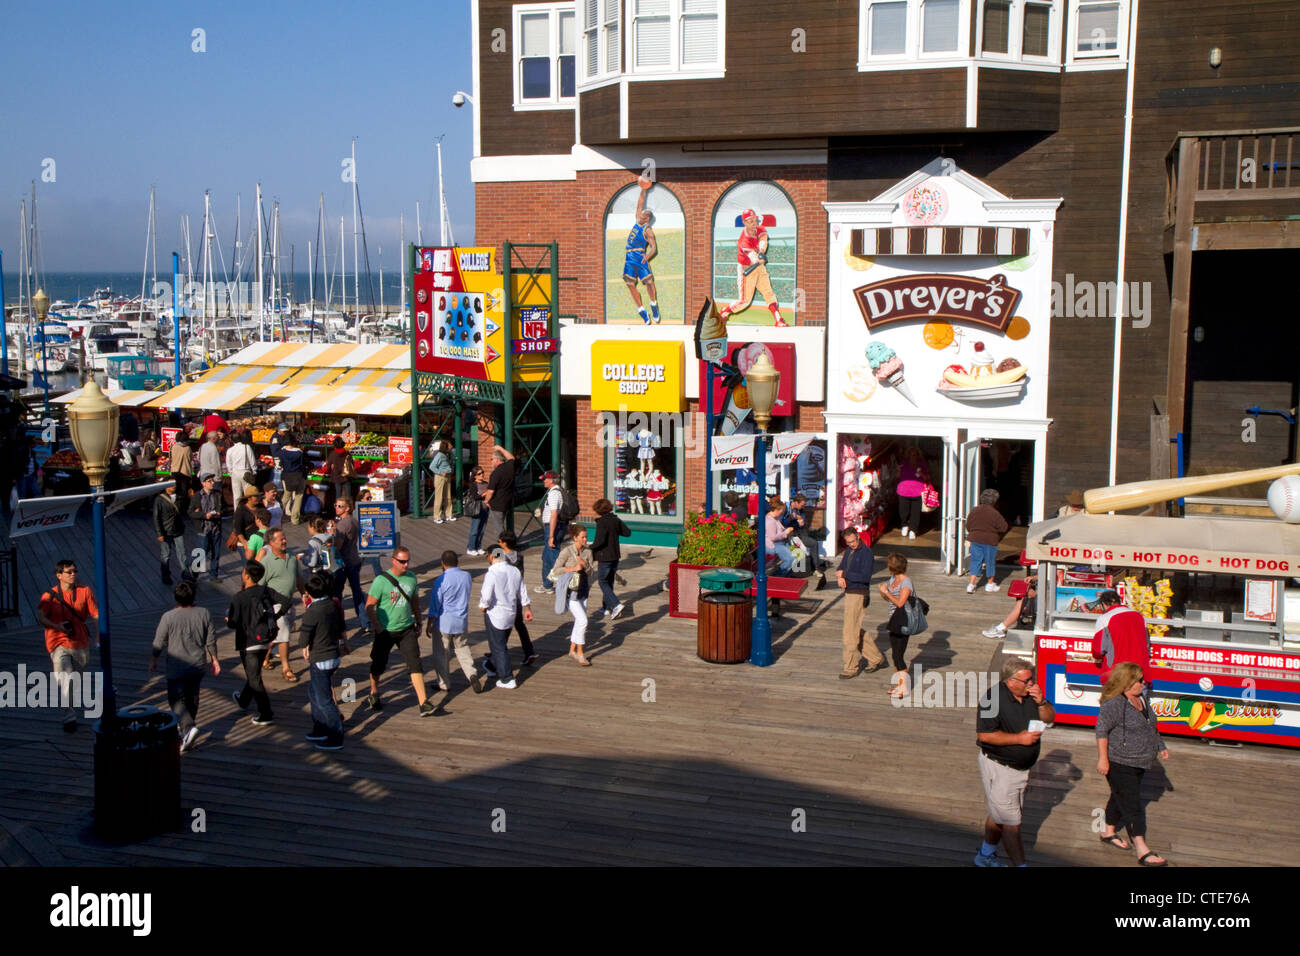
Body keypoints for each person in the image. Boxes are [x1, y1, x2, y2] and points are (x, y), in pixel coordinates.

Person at [974, 658, 1055, 867]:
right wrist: (1019, 739)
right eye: (1026, 680)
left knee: (999, 813)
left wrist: (1042, 702)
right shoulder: (992, 699)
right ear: (1010, 681)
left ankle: (985, 854)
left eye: (1032, 679)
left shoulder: (1031, 695)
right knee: (1012, 824)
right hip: (1001, 768)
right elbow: (985, 735)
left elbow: (1049, 718)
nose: (1031, 684)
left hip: (1021, 769)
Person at [1096, 661, 1170, 865]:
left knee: (1119, 796)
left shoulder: (1142, 699)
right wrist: (1103, 759)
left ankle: (1108, 831)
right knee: (1133, 805)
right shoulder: (1114, 704)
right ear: (1126, 683)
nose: (1143, 683)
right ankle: (1141, 848)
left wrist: (1160, 746)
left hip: (1141, 761)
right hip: (1120, 761)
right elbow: (1101, 731)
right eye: (1139, 680)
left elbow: (1151, 726)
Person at [365, 546, 437, 716]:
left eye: (407, 561)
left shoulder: (411, 578)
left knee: (415, 663)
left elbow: (415, 602)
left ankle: (423, 702)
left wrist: (419, 621)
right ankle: (374, 692)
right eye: (402, 562)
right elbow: (369, 606)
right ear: (394, 560)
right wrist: (378, 626)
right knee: (378, 664)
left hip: (406, 629)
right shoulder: (381, 581)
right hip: (386, 631)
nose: (406, 565)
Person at [149, 580, 219, 753]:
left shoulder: (168, 617)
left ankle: (188, 728)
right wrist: (215, 659)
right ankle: (188, 731)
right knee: (192, 697)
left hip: (176, 666)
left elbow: (159, 641)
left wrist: (154, 658)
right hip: (197, 664)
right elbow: (210, 639)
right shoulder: (204, 613)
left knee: (175, 699)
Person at [37, 559, 99, 732]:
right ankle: (69, 717)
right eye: (69, 572)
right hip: (58, 643)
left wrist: (98, 635)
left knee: (75, 680)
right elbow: (41, 617)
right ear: (59, 575)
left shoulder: (85, 591)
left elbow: (95, 614)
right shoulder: (49, 596)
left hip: (80, 643)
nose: (73, 574)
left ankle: (70, 706)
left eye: (75, 571)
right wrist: (57, 627)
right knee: (66, 678)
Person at [298, 571, 346, 751]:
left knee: (325, 700)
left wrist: (304, 646)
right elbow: (341, 626)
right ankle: (320, 728)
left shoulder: (313, 611)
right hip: (333, 655)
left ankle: (335, 735)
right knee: (314, 692)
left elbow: (303, 637)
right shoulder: (332, 604)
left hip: (320, 658)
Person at [226, 561, 277, 726]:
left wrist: (229, 621)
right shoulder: (265, 591)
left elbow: (233, 623)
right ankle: (243, 700)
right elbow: (285, 600)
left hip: (247, 642)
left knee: (254, 679)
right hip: (265, 638)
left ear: (246, 575)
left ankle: (266, 712)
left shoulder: (239, 597)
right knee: (253, 674)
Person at [719, 208, 787, 327]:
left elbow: (763, 240)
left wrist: (761, 251)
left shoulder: (760, 229)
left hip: (759, 268)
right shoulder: (744, 240)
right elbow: (752, 257)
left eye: (755, 219)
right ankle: (724, 312)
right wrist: (758, 258)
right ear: (744, 222)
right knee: (744, 302)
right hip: (746, 268)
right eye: (750, 221)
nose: (753, 223)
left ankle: (778, 319)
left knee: (769, 293)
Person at [427, 550, 482, 694]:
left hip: (444, 622)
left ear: (442, 563)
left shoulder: (441, 580)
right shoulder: (466, 576)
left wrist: (430, 621)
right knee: (462, 648)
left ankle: (444, 683)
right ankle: (471, 673)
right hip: (461, 620)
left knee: (442, 653)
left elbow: (435, 603)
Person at [479, 546, 533, 690]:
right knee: (501, 642)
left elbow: (486, 594)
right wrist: (527, 608)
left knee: (498, 646)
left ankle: (507, 678)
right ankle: (491, 665)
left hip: (496, 613)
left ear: (491, 557)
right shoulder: (514, 570)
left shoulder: (492, 573)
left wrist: (483, 605)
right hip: (511, 612)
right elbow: (523, 591)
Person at [256, 528, 303, 682]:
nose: (284, 541)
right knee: (284, 636)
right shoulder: (266, 563)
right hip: (274, 606)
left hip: (289, 604)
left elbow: (298, 579)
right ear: (271, 543)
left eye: (284, 538)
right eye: (280, 539)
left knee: (277, 635)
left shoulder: (292, 558)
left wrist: (305, 595)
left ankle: (264, 657)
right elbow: (259, 586)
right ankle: (286, 667)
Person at [837, 528, 884, 679]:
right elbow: (842, 567)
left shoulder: (867, 553)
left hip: (858, 594)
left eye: (853, 541)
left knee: (849, 632)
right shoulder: (848, 551)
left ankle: (850, 667)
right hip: (850, 592)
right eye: (849, 542)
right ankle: (876, 658)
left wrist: (844, 575)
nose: (852, 544)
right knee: (854, 628)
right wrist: (840, 574)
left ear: (858, 537)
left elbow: (865, 576)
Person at [552, 524, 597, 666]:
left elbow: (592, 572)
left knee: (579, 621)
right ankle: (580, 654)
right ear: (575, 537)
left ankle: (572, 650)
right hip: (570, 592)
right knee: (583, 621)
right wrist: (573, 568)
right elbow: (556, 570)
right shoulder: (566, 551)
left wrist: (585, 565)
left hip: (583, 590)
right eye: (582, 537)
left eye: (586, 537)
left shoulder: (588, 552)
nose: (585, 540)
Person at [1091, 590, 1154, 685]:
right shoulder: (1139, 616)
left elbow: (1098, 650)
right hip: (1139, 675)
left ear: (1103, 604)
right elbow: (1147, 645)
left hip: (1117, 675)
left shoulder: (1104, 619)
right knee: (1138, 700)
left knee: (1114, 700)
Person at [496, 531, 537, 664]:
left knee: (503, 627)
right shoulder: (519, 556)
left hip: (504, 597)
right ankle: (529, 651)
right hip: (518, 595)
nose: (498, 544)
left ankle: (495, 654)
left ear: (504, 543)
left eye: (499, 542)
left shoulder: (500, 557)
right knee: (519, 624)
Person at [623, 180, 660, 325]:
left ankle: (653, 304)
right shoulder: (637, 221)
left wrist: (648, 256)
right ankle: (642, 310)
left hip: (639, 256)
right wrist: (644, 189)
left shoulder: (647, 229)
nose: (640, 214)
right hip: (629, 256)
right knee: (630, 284)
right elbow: (639, 203)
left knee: (649, 283)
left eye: (643, 214)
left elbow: (654, 247)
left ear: (648, 218)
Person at [879, 553, 915, 698]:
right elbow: (888, 599)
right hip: (894, 621)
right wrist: (884, 592)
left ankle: (904, 688)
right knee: (895, 655)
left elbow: (900, 603)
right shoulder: (893, 578)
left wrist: (887, 592)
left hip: (903, 621)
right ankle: (900, 685)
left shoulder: (906, 582)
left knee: (898, 656)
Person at [591, 497, 630, 620]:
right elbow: (627, 533)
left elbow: (600, 541)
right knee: (609, 582)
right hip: (615, 556)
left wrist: (589, 548)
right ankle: (606, 607)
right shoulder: (615, 519)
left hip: (604, 557)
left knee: (603, 582)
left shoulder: (602, 522)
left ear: (598, 510)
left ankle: (616, 605)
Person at [332, 498, 367, 635]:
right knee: (357, 591)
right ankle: (365, 622)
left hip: (344, 562)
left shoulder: (342, 525)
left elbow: (338, 546)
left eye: (340, 506)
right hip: (355, 559)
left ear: (347, 508)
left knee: (337, 594)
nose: (336, 508)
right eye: (336, 505)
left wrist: (332, 537)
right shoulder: (354, 521)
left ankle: (339, 623)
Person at [965, 488, 1009, 593]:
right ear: (994, 501)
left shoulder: (974, 510)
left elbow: (968, 525)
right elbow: (1004, 527)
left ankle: (971, 585)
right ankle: (990, 584)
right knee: (990, 562)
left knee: (975, 560)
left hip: (975, 539)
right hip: (990, 541)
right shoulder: (995, 513)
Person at [782, 492, 825, 586]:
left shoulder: (799, 510)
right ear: (796, 503)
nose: (803, 507)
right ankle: (793, 575)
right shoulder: (785, 507)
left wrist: (801, 522)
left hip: (797, 533)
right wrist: (790, 518)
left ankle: (816, 569)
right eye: (802, 505)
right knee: (799, 551)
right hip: (786, 535)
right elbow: (781, 522)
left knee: (814, 543)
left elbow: (802, 520)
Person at [153, 479, 191, 586]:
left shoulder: (179, 497)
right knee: (165, 555)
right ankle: (165, 575)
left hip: (178, 529)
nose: (173, 486)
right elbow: (156, 518)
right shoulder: (159, 500)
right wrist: (159, 533)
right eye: (170, 484)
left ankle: (186, 575)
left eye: (174, 484)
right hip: (166, 531)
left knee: (182, 553)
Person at [536, 470, 567, 595]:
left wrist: (551, 536)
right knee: (547, 557)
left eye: (545, 479)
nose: (543, 481)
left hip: (553, 528)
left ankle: (565, 585)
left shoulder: (554, 494)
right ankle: (547, 585)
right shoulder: (557, 492)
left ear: (550, 481)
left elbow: (554, 515)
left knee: (554, 558)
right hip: (555, 527)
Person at [481, 445, 517, 543]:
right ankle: (509, 545)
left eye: (492, 459)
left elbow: (491, 491)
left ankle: (503, 548)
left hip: (497, 504)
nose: (491, 461)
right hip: (507, 501)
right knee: (502, 526)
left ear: (497, 460)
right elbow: (511, 457)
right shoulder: (510, 467)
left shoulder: (496, 473)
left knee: (499, 528)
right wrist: (501, 449)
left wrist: (486, 501)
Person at [192, 473, 223, 582]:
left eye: (212, 480)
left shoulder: (217, 495)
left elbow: (223, 508)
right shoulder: (197, 496)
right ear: (203, 483)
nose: (212, 483)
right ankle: (194, 576)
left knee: (216, 553)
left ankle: (214, 575)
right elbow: (190, 512)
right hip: (203, 529)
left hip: (215, 528)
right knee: (200, 553)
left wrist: (219, 513)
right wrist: (204, 515)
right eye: (209, 481)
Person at [277, 431, 309, 524]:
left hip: (287, 476)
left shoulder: (282, 453)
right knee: (299, 496)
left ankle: (277, 515)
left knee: (285, 496)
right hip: (299, 476)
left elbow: (280, 464)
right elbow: (303, 465)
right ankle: (295, 519)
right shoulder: (299, 453)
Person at [896, 447, 928, 540]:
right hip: (903, 491)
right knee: (903, 511)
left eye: (915, 454)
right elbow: (897, 477)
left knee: (915, 513)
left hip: (917, 492)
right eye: (911, 454)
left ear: (918, 455)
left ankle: (913, 530)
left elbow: (927, 478)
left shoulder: (922, 464)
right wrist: (898, 470)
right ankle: (904, 525)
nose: (912, 456)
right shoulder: (903, 463)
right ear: (908, 455)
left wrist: (921, 473)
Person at [764, 496, 796, 574]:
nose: (782, 512)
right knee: (790, 559)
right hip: (773, 545)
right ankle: (779, 575)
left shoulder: (774, 518)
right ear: (777, 510)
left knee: (796, 556)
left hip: (780, 543)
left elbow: (778, 530)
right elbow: (773, 537)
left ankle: (784, 574)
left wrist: (786, 530)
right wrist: (786, 532)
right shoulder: (770, 521)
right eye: (782, 510)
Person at [226, 431, 259, 506]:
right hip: (245, 471)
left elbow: (229, 464)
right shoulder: (246, 447)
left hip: (235, 473)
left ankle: (237, 512)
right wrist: (254, 471)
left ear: (231, 440)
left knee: (237, 496)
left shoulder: (230, 450)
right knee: (248, 494)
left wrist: (231, 473)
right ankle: (249, 510)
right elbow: (252, 461)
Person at [464, 465, 489, 555]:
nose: (482, 475)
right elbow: (475, 497)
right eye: (479, 473)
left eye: (482, 472)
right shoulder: (473, 485)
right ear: (475, 476)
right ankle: (470, 548)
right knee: (474, 530)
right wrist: (485, 494)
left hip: (485, 509)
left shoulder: (486, 483)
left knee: (482, 530)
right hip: (476, 509)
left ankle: (478, 546)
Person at [428, 439, 454, 523]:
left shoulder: (447, 454)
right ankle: (437, 516)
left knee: (448, 496)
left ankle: (448, 514)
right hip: (440, 477)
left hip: (447, 476)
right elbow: (432, 466)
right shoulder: (439, 455)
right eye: (449, 445)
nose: (451, 446)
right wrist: (440, 472)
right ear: (445, 447)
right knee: (439, 497)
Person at [169, 432, 194, 515]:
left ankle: (174, 508)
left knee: (174, 490)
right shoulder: (188, 448)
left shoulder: (173, 447)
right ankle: (182, 509)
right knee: (183, 492)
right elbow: (191, 458)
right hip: (185, 472)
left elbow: (170, 458)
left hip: (174, 471)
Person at [326, 436, 353, 508]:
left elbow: (328, 466)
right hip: (346, 477)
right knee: (348, 496)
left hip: (336, 477)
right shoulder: (347, 454)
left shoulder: (332, 454)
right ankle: (349, 511)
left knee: (338, 496)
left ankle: (339, 512)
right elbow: (352, 464)